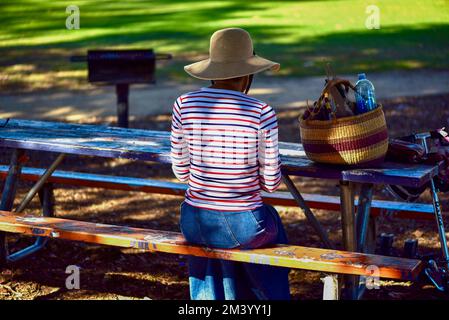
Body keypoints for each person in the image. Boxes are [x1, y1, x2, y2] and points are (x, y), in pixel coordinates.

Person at [170, 28, 290, 300]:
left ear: (212, 71)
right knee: (269, 224)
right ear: (248, 74)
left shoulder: (183, 104)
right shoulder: (261, 112)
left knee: (215, 232)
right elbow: (271, 183)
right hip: (244, 225)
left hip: (193, 222)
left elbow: (180, 172)